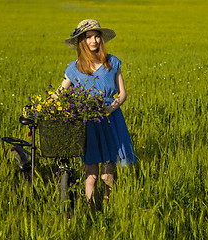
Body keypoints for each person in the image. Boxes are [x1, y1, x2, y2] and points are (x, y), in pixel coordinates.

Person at [59, 19, 136, 211]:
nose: (93, 40)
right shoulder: (74, 67)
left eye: (96, 36)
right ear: (81, 42)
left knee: (108, 170)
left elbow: (123, 94)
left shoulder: (112, 62)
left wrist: (111, 108)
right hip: (88, 122)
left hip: (111, 120)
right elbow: (59, 92)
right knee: (91, 171)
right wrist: (42, 107)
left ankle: (108, 208)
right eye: (88, 37)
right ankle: (91, 209)